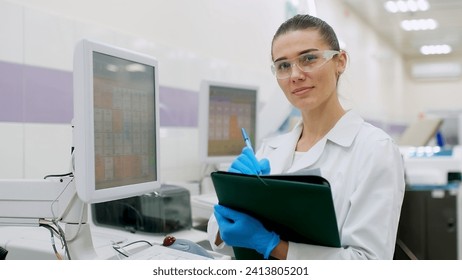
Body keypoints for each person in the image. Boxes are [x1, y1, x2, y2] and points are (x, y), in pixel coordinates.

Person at [207, 14, 405, 260]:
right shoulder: (271, 149)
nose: (295, 75)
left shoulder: (375, 149)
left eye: (309, 58)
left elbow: (368, 262)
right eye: (283, 65)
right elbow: (221, 236)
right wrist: (231, 201)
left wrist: (272, 245)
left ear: (340, 61)